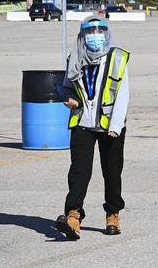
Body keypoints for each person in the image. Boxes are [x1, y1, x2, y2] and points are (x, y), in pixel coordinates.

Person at [54, 18, 130, 241]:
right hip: (82, 123)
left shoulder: (118, 58)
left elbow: (123, 94)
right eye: (90, 32)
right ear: (82, 36)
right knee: (79, 171)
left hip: (109, 126)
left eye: (100, 31)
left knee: (112, 172)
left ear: (107, 34)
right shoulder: (75, 57)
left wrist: (116, 125)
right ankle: (73, 215)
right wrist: (69, 98)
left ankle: (112, 213)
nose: (95, 36)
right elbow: (66, 87)